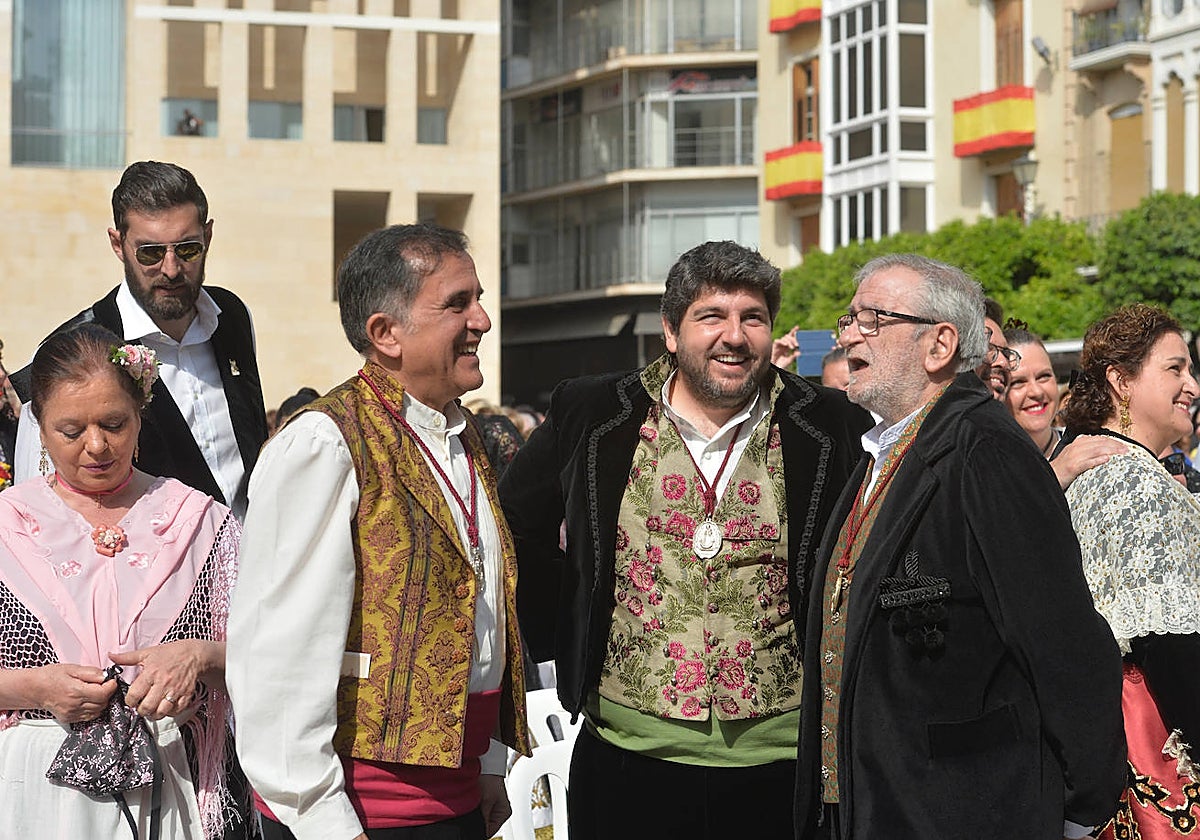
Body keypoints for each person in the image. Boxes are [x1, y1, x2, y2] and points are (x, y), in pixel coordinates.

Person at [499, 240, 873, 840]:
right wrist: (553, 626)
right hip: (626, 760)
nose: (735, 336)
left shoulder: (831, 423)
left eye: (752, 317)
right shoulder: (595, 412)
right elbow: (514, 520)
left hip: (782, 764)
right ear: (671, 332)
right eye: (712, 317)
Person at [797, 253, 1126, 840]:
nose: (848, 333)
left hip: (964, 812)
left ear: (939, 344)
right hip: (869, 810)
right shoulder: (877, 454)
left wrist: (1079, 813)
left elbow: (1065, 647)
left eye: (872, 318)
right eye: (848, 318)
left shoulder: (985, 451)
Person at [226, 223, 530, 840]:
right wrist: (321, 818)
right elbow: (279, 651)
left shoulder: (460, 435)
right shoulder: (323, 442)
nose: (482, 320)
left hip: (456, 796)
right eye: (456, 303)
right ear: (385, 333)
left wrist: (491, 766)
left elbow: (484, 615)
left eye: (479, 298)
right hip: (360, 812)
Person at [0, 323, 243, 838]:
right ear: (39, 427)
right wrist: (33, 687)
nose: (96, 446)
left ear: (140, 413)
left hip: (166, 781)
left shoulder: (199, 522)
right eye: (71, 430)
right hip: (31, 794)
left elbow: (269, 655)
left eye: (114, 423)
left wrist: (199, 659)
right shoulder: (6, 526)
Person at [11, 160, 269, 520]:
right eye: (150, 252)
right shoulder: (70, 349)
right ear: (118, 244)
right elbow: (40, 513)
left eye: (187, 249)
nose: (170, 268)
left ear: (207, 237)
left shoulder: (233, 317)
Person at [1059, 304, 1200, 838]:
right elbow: (1168, 644)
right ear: (1120, 380)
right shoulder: (1131, 480)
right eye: (1174, 368)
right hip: (1155, 738)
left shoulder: (1106, 465)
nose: (1191, 384)